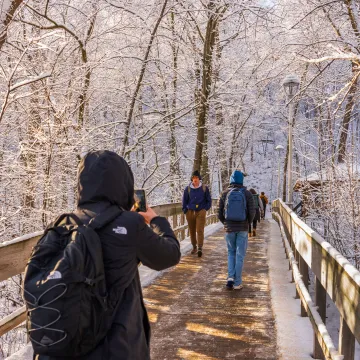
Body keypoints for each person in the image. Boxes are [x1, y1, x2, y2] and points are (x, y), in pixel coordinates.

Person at [34, 150, 181, 360]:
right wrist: (156, 220)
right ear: (123, 184)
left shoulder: (62, 224)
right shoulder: (130, 224)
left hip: (65, 345)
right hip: (117, 347)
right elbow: (170, 254)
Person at [218, 170, 255, 290]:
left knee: (231, 252)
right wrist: (247, 223)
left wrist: (226, 223)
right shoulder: (247, 193)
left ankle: (230, 278)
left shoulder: (225, 193)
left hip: (229, 228)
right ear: (241, 180)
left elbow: (218, 212)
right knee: (240, 255)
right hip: (243, 227)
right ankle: (237, 282)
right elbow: (252, 211)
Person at [182, 170, 212, 257]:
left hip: (200, 211)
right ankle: (194, 246)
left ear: (199, 179)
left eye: (196, 178)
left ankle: (200, 247)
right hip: (190, 211)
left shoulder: (204, 188)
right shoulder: (187, 189)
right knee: (192, 230)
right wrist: (185, 210)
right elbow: (184, 200)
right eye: (193, 178)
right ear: (192, 179)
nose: (195, 179)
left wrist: (205, 209)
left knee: (199, 229)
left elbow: (208, 200)